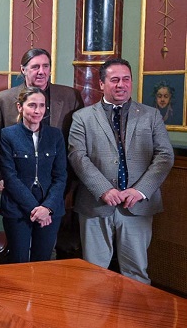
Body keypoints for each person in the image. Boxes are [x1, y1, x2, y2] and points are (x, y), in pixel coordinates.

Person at [68, 58, 174, 284]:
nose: (121, 85)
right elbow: (78, 157)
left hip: (137, 205)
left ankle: (135, 320)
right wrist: (104, 189)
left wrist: (140, 191)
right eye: (114, 79)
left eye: (126, 79)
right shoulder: (82, 118)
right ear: (101, 84)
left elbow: (164, 156)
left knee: (136, 274)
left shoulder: (151, 115)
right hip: (96, 204)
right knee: (93, 276)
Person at [0, 48, 83, 191]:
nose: (41, 71)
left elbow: (78, 142)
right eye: (35, 67)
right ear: (23, 70)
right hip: (15, 181)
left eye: (46, 66)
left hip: (59, 183)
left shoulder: (70, 96)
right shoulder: (3, 99)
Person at [0, 87, 67, 263]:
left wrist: (47, 208)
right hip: (18, 210)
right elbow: (10, 177)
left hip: (50, 210)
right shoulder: (8, 135)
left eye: (42, 106)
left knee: (43, 262)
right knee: (18, 262)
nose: (37, 111)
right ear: (20, 107)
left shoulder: (55, 135)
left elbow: (60, 176)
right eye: (32, 105)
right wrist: (35, 210)